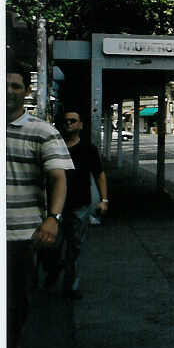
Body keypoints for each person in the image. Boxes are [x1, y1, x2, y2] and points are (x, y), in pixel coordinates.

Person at [6, 62, 73, 348]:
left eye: (15, 86)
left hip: (20, 235)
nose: (8, 91)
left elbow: (58, 178)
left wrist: (53, 218)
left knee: (16, 302)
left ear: (26, 91)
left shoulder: (43, 131)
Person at [41, 109, 109, 300]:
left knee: (75, 248)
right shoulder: (53, 146)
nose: (69, 124)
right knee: (49, 246)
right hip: (54, 207)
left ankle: (71, 286)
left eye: (73, 121)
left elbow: (99, 174)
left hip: (80, 205)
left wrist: (104, 200)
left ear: (80, 125)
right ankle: (53, 269)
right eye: (66, 121)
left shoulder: (88, 149)